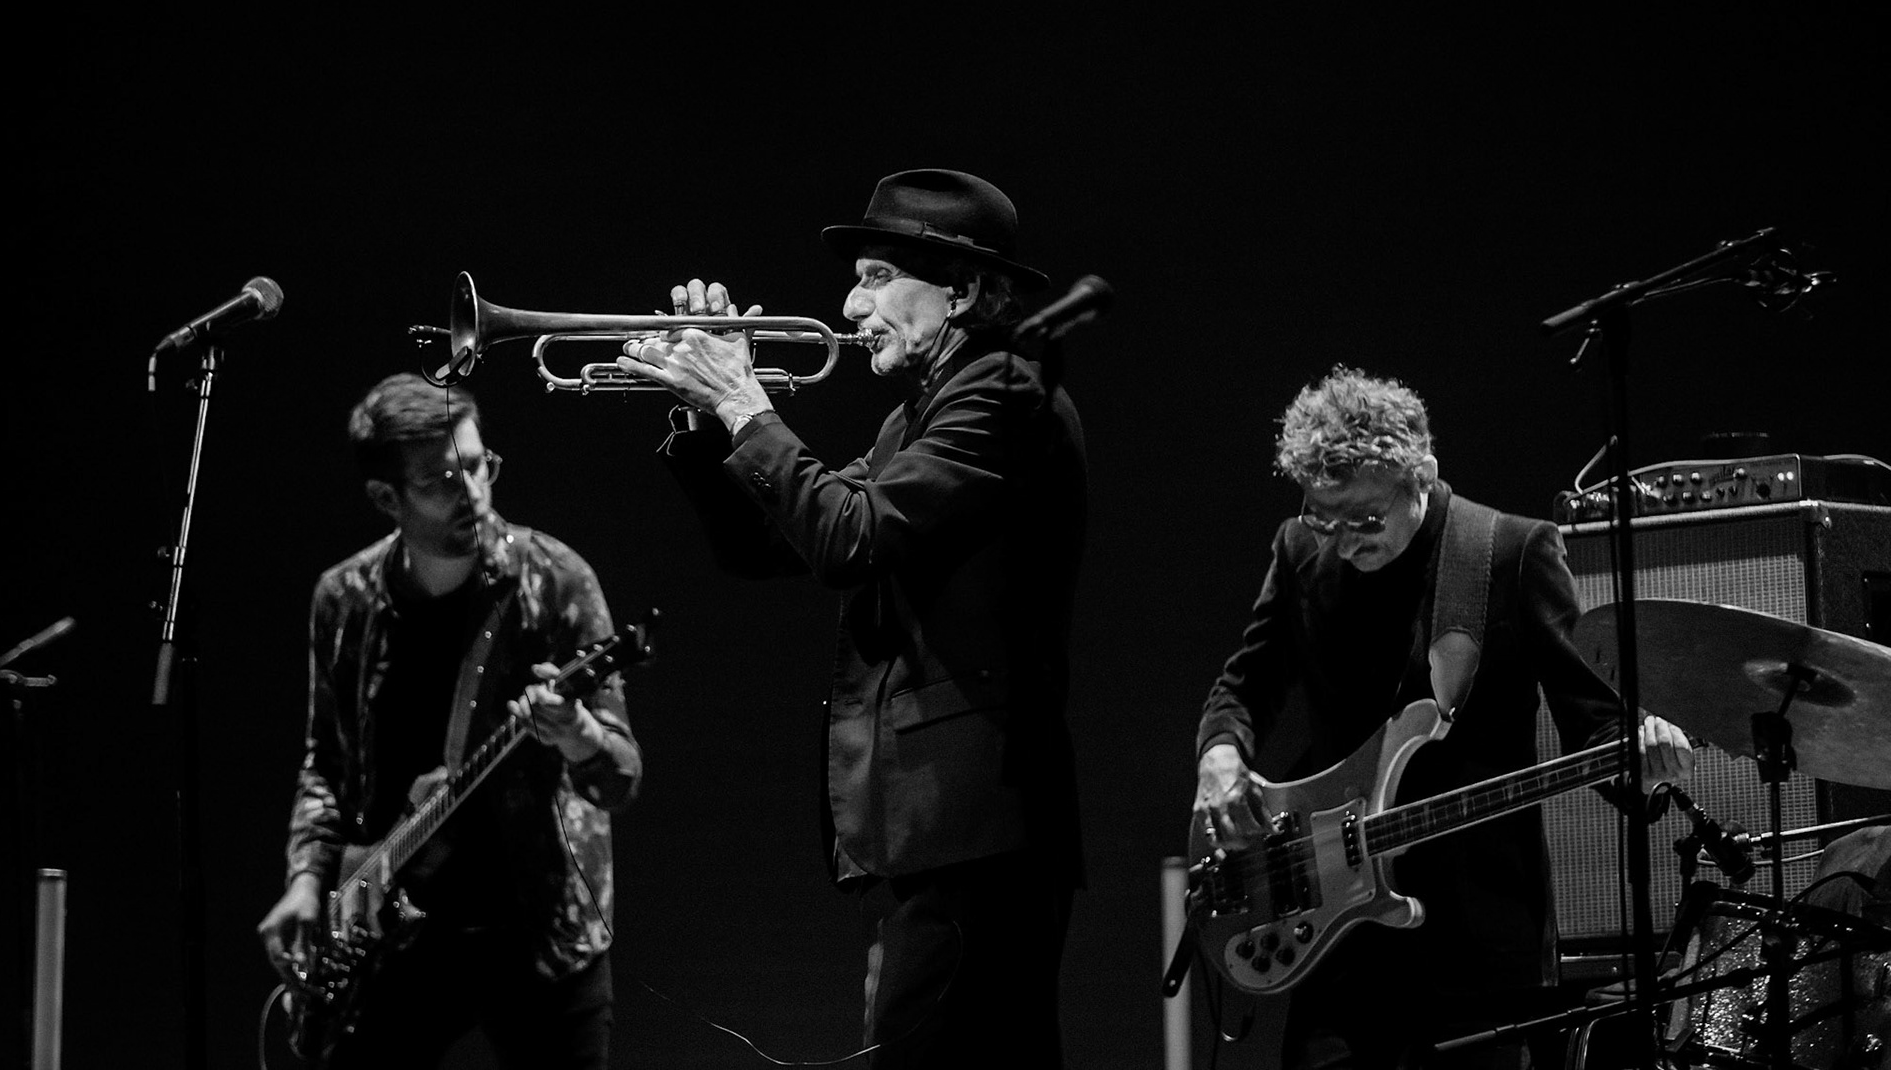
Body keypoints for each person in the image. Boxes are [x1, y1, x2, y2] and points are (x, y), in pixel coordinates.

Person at [614, 168, 1087, 1067]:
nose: (850, 303)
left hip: (972, 824)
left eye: (877, 278)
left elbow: (850, 537)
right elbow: (770, 549)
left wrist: (744, 402)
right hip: (938, 829)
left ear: (963, 290)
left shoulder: (1006, 396)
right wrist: (704, 417)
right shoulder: (915, 420)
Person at [1192, 366, 1693, 1069]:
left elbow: (1596, 723)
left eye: (1366, 520)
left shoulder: (1511, 552)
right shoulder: (1299, 551)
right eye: (1322, 518)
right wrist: (1219, 756)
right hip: (1339, 937)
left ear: (1421, 474)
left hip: (1479, 945)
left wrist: (1642, 758)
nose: (1342, 542)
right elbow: (1244, 688)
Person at [256, 373, 642, 1068]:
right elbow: (326, 763)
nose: (472, 492)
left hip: (539, 936)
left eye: (477, 464)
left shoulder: (553, 581)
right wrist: (308, 879)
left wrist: (578, 734)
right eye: (441, 479)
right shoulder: (343, 599)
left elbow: (619, 781)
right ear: (386, 498)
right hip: (396, 928)